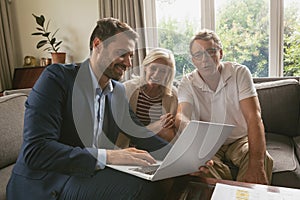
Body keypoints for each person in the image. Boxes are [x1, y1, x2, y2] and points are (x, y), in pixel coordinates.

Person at [6, 17, 174, 200]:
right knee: (141, 189)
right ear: (98, 44)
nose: (128, 63)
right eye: (122, 53)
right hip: (48, 181)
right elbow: (37, 150)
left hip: (85, 174)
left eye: (131, 56)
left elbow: (141, 134)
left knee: (160, 179)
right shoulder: (56, 79)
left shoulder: (117, 91)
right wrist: (109, 156)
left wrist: (183, 159)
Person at [175, 29, 273, 185]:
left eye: (210, 52)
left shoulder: (239, 73)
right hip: (209, 142)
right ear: (193, 60)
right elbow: (182, 116)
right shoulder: (187, 82)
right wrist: (191, 136)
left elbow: (253, 117)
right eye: (198, 55)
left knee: (262, 159)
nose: (205, 60)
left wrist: (257, 165)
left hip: (240, 139)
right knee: (195, 165)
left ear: (221, 53)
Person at [116, 48, 178, 148]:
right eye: (153, 68)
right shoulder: (126, 89)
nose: (157, 74)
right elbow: (125, 129)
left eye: (163, 71)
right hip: (129, 148)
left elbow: (173, 133)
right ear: (145, 67)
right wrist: (155, 126)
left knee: (168, 129)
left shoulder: (173, 95)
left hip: (157, 148)